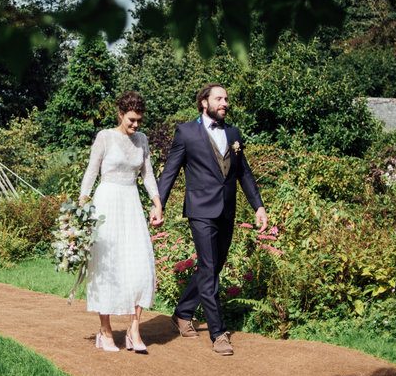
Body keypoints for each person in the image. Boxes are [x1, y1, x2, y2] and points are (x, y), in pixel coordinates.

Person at [156, 83, 268, 356]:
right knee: (208, 267)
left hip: (227, 210)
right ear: (204, 103)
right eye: (219, 98)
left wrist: (259, 206)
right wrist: (158, 204)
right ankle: (218, 333)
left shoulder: (233, 133)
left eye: (227, 99)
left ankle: (183, 313)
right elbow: (170, 171)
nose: (225, 103)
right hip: (200, 210)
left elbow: (244, 173)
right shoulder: (186, 132)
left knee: (213, 267)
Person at [79, 91, 165, 353]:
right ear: (120, 114)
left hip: (131, 205)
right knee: (107, 266)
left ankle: (134, 329)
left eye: (139, 120)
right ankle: (105, 332)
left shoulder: (142, 140)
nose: (135, 125)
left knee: (139, 265)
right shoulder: (105, 137)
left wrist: (157, 201)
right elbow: (92, 171)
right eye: (131, 119)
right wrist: (82, 204)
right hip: (106, 204)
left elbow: (147, 174)